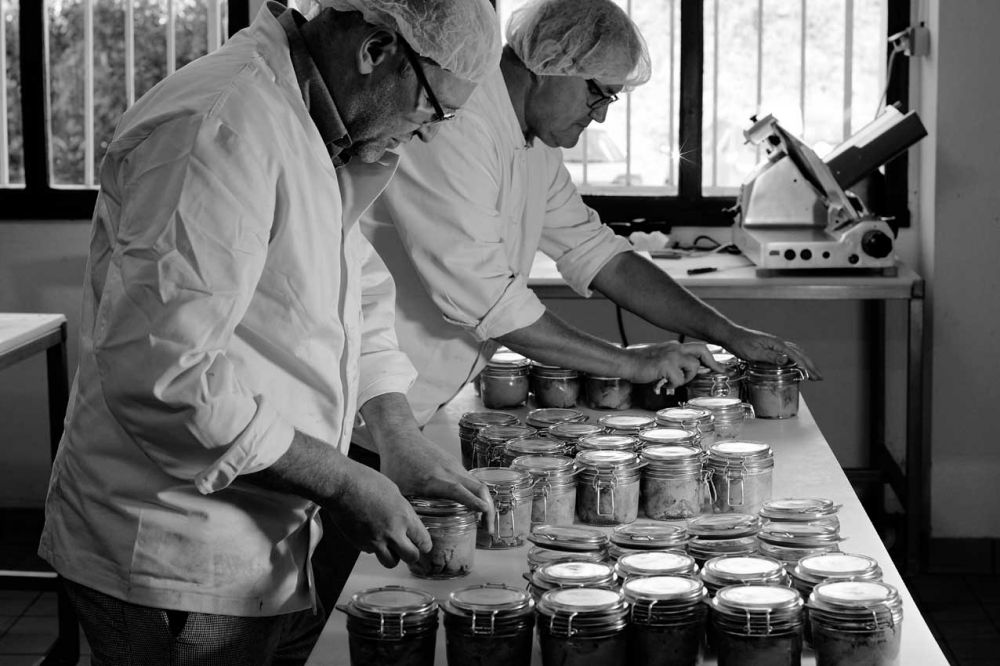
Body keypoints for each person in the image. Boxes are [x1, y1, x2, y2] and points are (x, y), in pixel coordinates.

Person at [37, 1, 499, 663]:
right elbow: (169, 377)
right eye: (432, 106)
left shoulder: (313, 124)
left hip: (262, 533)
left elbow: (352, 296)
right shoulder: (219, 125)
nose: (427, 131)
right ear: (376, 50)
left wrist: (396, 435)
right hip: (177, 551)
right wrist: (342, 483)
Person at [359, 0, 821, 431]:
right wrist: (632, 362)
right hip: (372, 403)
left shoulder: (532, 141)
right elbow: (489, 300)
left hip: (422, 396)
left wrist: (729, 333)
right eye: (598, 94)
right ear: (551, 61)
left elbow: (599, 254)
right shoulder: (457, 120)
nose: (598, 117)